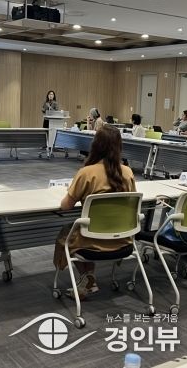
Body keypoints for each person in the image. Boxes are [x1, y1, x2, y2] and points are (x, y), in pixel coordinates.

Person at [54, 126, 136, 300]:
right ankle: (89, 280)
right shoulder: (128, 172)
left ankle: (87, 277)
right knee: (84, 230)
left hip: (92, 242)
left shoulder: (86, 173)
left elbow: (65, 206)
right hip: (122, 240)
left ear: (96, 145)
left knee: (66, 235)